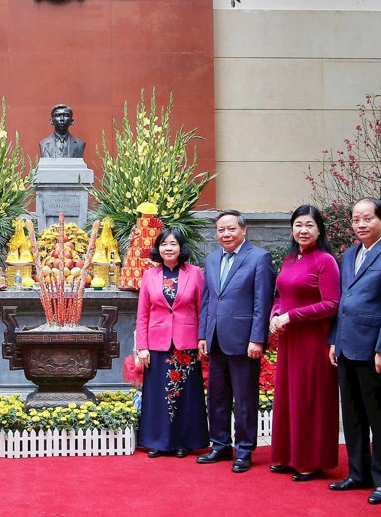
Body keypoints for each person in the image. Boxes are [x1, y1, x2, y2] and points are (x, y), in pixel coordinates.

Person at [327, 198, 381, 505]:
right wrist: (335, 339)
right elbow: (343, 301)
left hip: (374, 348)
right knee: (353, 414)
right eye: (356, 220)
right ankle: (358, 472)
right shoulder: (350, 254)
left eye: (367, 219)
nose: (361, 225)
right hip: (347, 345)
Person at [197, 210, 275, 472]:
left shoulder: (259, 258)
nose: (226, 234)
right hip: (216, 338)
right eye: (221, 230)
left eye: (231, 229)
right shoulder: (211, 259)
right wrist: (202, 335)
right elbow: (208, 300)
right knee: (217, 396)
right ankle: (219, 445)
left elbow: (261, 303)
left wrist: (257, 338)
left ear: (243, 230)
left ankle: (244, 450)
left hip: (244, 341)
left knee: (244, 399)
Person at [269, 204, 341, 482]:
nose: (303, 230)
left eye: (309, 225)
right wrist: (276, 314)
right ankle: (288, 455)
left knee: (310, 398)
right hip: (289, 339)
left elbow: (332, 304)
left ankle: (311, 460)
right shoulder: (289, 259)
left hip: (313, 340)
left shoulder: (326, 261)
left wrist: (291, 316)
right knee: (289, 397)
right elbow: (279, 295)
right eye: (298, 224)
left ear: (319, 229)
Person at [136, 227, 208, 458]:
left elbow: (202, 309)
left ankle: (183, 442)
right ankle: (158, 441)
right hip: (157, 344)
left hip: (185, 343)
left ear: (181, 248)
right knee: (158, 394)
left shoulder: (195, 273)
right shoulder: (150, 275)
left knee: (185, 395)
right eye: (164, 244)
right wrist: (142, 347)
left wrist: (201, 339)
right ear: (158, 248)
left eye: (173, 244)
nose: (169, 248)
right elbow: (143, 314)